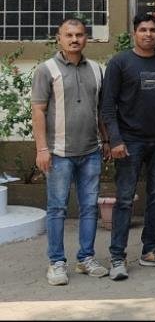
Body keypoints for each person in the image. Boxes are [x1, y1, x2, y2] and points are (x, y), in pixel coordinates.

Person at [31, 17, 110, 285]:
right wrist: (42, 148)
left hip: (91, 152)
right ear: (59, 39)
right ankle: (56, 263)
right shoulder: (46, 69)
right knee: (57, 208)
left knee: (89, 207)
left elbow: (100, 110)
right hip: (58, 153)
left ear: (86, 38)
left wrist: (106, 140)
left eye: (79, 35)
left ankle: (86, 258)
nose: (74, 39)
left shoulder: (97, 70)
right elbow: (38, 111)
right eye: (69, 35)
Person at [101, 12, 155, 281]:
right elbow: (107, 106)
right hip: (129, 142)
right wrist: (115, 140)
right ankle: (117, 256)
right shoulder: (120, 63)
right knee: (124, 199)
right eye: (143, 29)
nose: (148, 34)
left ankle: (150, 251)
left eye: (153, 30)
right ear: (134, 33)